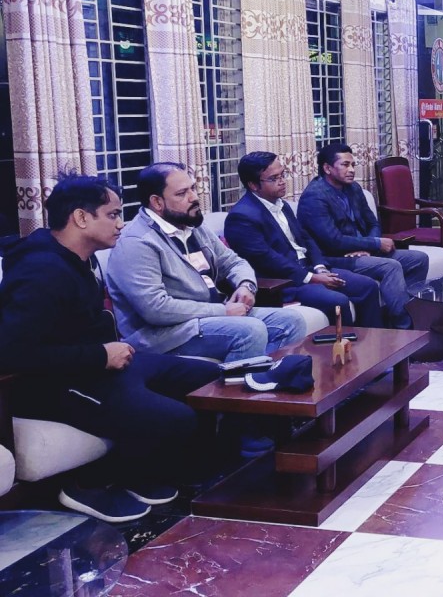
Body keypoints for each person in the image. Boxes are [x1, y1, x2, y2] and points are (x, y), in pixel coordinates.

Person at [0, 174, 221, 522]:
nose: (121, 224)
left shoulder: (79, 257)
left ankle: (145, 473)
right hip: (53, 384)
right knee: (177, 417)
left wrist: (104, 353)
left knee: (208, 376)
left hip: (93, 367)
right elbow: (13, 353)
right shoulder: (41, 271)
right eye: (113, 214)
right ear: (81, 218)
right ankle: (89, 484)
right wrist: (101, 355)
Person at [105, 162, 309, 362]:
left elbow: (233, 262)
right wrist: (223, 311)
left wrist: (246, 285)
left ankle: (269, 377)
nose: (194, 197)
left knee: (292, 322)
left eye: (193, 188)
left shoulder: (191, 225)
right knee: (250, 331)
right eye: (182, 193)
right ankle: (240, 383)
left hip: (209, 317)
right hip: (164, 335)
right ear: (157, 202)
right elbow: (155, 309)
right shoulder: (137, 242)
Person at [224, 152, 383, 328]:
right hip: (285, 283)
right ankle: (345, 344)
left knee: (367, 286)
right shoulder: (241, 217)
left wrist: (320, 267)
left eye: (282, 175)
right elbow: (267, 259)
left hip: (309, 269)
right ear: (253, 185)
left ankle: (373, 340)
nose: (282, 181)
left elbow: (305, 237)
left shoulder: (281, 204)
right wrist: (311, 278)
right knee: (337, 300)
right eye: (274, 178)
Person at [297, 142, 429, 329]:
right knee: (390, 266)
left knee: (419, 259)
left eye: (353, 164)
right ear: (327, 168)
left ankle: (403, 312)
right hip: (336, 258)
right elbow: (333, 241)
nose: (351, 170)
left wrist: (369, 246)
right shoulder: (314, 197)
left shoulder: (353, 189)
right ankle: (405, 326)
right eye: (345, 165)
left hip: (363, 252)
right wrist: (374, 244)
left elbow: (373, 223)